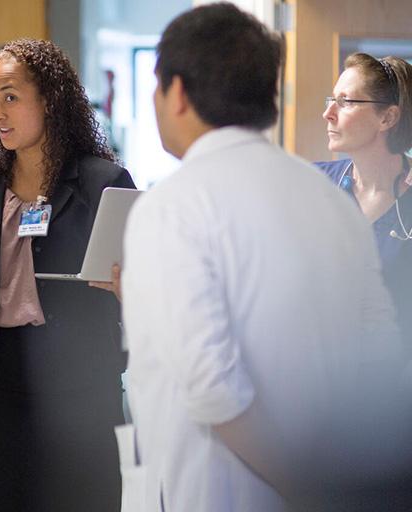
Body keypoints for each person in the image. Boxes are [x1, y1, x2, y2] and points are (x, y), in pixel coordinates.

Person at [121, 4, 412, 510]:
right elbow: (381, 355)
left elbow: (212, 390)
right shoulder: (330, 199)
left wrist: (301, 485)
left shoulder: (170, 206)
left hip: (222, 492)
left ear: (178, 93)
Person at [0, 38, 135, 510]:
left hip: (78, 386)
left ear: (50, 100)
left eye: (11, 97)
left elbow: (131, 284)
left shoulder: (102, 183)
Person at [318, 53, 412, 355]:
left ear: (388, 117)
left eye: (345, 102)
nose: (328, 113)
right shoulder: (313, 184)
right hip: (317, 381)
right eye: (331, 99)